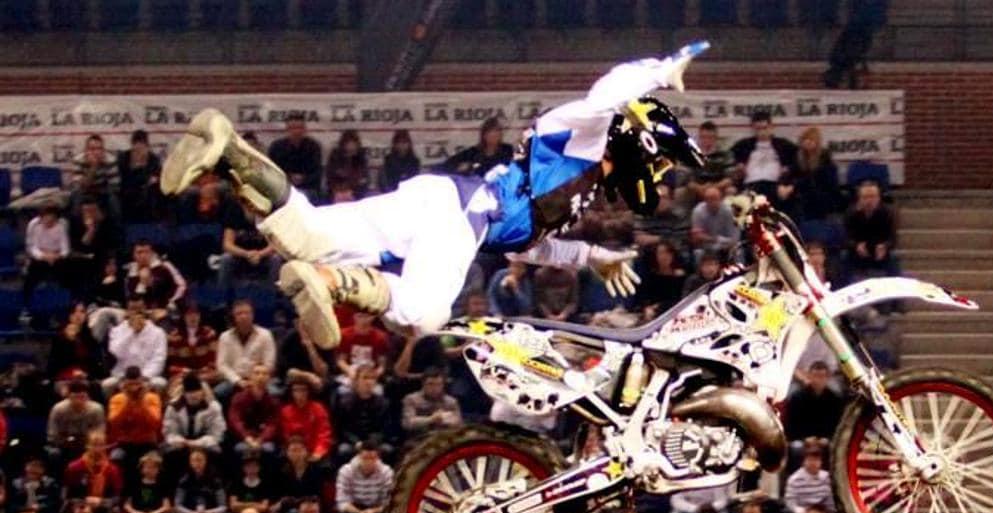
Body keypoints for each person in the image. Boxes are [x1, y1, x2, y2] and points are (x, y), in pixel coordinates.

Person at [161, 45, 710, 349]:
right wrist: (660, 70)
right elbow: (607, 91)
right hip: (456, 217)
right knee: (424, 314)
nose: (657, 175)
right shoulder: (588, 137)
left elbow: (523, 247)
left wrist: (591, 257)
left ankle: (229, 149)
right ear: (640, 139)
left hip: (444, 204)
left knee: (305, 237)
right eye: (659, 161)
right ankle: (327, 283)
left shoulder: (580, 189)